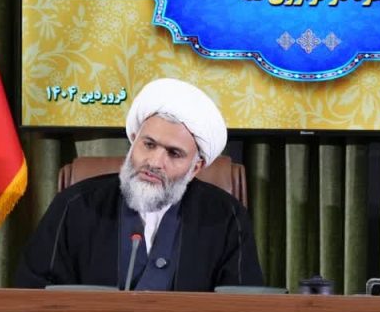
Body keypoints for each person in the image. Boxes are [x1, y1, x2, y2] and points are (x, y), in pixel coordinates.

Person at [15, 78, 264, 291]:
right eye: (149, 145)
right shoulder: (75, 205)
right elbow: (35, 293)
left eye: (174, 154)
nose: (154, 162)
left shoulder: (226, 216)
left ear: (195, 168)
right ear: (134, 140)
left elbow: (242, 306)